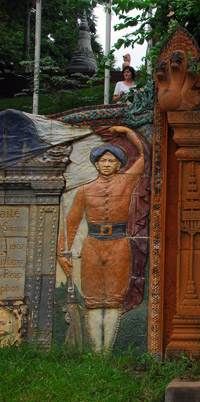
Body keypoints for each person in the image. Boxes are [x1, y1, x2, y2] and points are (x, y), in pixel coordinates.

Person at [57, 126, 145, 353]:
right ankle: (97, 355)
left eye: (111, 161)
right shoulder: (85, 190)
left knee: (114, 299)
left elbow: (145, 155)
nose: (106, 164)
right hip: (92, 245)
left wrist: (127, 132)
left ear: (119, 165)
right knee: (94, 300)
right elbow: (71, 224)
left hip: (118, 244)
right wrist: (61, 253)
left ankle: (107, 353)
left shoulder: (126, 182)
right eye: (103, 161)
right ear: (96, 164)